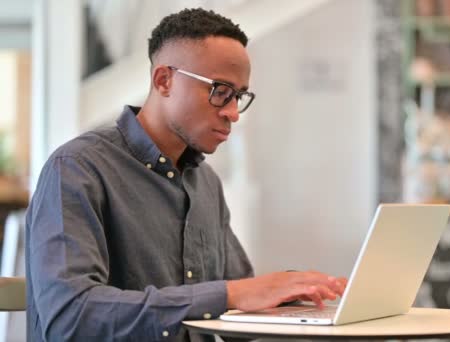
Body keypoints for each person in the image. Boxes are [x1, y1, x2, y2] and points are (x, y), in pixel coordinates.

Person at [26, 8, 346, 341]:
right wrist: (231, 294)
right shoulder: (77, 168)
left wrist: (293, 295)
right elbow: (69, 319)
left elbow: (240, 310)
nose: (233, 113)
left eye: (239, 96)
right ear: (164, 80)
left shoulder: (206, 183)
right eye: (220, 91)